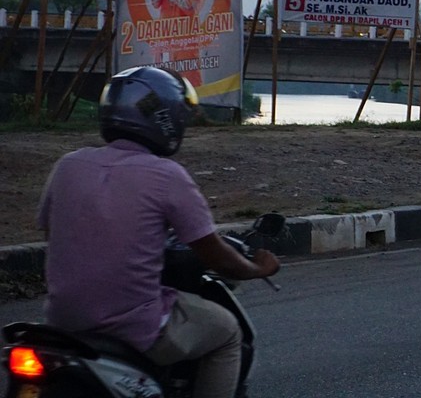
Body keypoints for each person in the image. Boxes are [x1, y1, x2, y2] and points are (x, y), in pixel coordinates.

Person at [37, 66, 280, 398]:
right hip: (133, 328)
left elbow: (58, 237)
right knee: (227, 332)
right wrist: (258, 269)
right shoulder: (167, 175)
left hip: (62, 321)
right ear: (167, 118)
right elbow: (217, 257)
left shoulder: (68, 165)